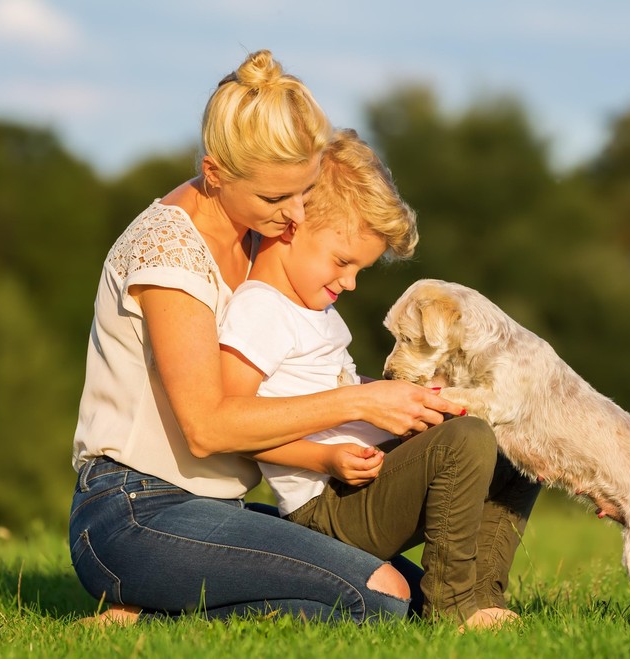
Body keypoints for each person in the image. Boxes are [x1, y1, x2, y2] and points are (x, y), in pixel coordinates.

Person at [69, 50, 467, 626]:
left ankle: (157, 607)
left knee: (424, 597)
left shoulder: (257, 232)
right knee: (381, 599)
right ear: (215, 173)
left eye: (303, 191)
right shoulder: (170, 254)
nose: (294, 215)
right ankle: (149, 613)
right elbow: (207, 428)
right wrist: (359, 400)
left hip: (213, 508)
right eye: (275, 198)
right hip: (133, 511)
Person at [220, 129, 542, 628]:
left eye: (358, 270)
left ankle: (482, 595)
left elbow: (336, 389)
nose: (348, 281)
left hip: (364, 481)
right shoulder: (260, 309)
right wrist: (321, 456)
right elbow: (230, 424)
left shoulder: (314, 307)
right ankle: (452, 607)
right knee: (467, 439)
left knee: (516, 447)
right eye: (342, 261)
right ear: (293, 226)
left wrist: (411, 401)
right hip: (325, 505)